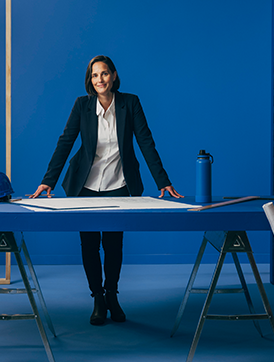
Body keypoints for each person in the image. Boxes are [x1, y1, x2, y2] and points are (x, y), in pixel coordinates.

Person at [30, 55, 182, 326]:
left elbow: (146, 141)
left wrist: (163, 181)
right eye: (94, 75)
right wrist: (48, 181)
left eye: (104, 73)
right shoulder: (82, 105)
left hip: (119, 185)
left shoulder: (130, 103)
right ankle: (98, 298)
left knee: (113, 244)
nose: (99, 79)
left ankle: (112, 295)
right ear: (90, 80)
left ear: (113, 75)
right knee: (89, 244)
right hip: (85, 186)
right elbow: (65, 142)